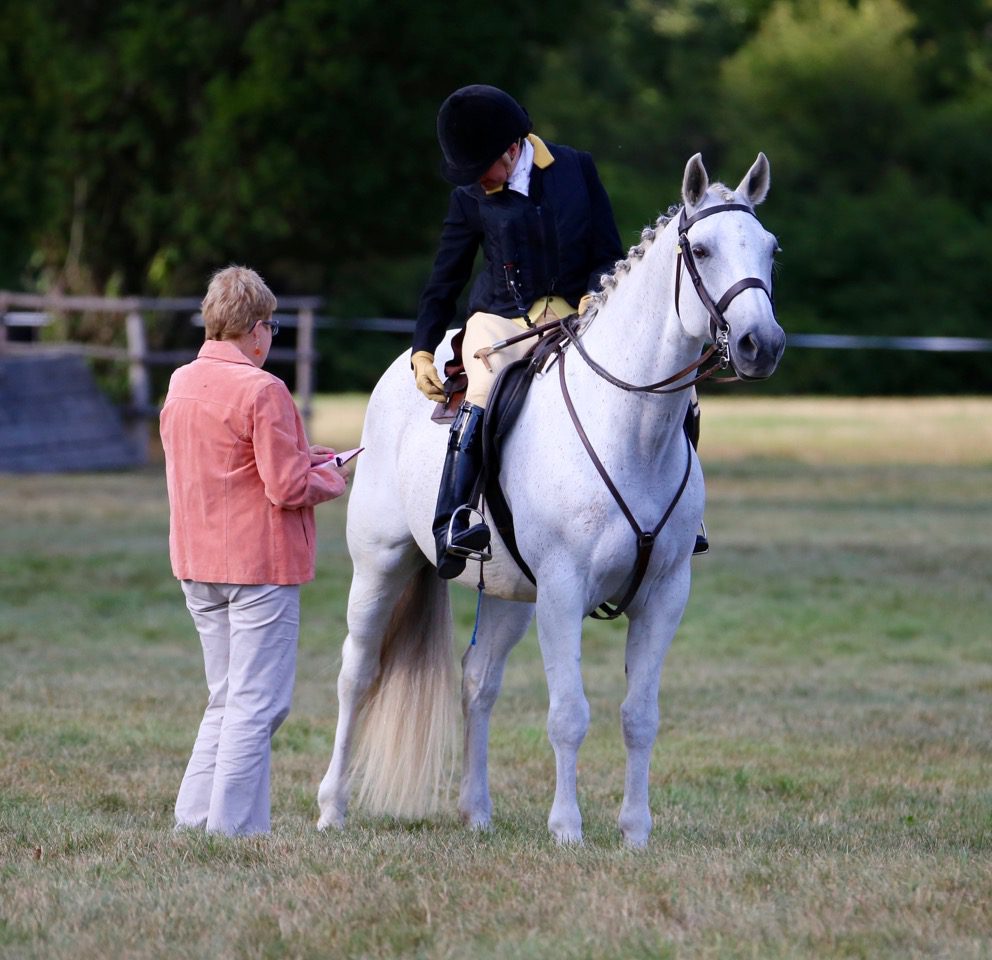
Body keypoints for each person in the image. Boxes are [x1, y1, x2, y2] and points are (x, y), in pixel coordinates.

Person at [160, 265, 348, 836]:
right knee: (258, 704)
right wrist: (334, 476)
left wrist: (302, 454)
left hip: (197, 563)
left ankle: (194, 819)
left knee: (225, 697)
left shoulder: (181, 381)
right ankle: (233, 831)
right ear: (258, 328)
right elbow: (287, 487)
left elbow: (235, 460)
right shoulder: (264, 389)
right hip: (257, 568)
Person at [411, 84, 625, 579]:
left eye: (479, 169)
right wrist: (422, 349)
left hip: (577, 314)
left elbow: (607, 251)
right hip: (499, 320)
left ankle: (680, 514)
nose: (475, 182)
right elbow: (445, 277)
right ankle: (455, 518)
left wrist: (597, 292)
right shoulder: (470, 197)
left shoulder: (577, 169)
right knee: (484, 388)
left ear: (512, 150)